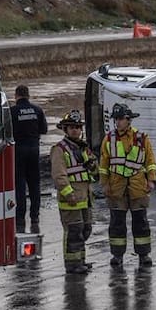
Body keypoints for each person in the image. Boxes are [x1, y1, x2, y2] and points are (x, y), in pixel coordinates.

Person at [99, 103, 156, 269]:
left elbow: (150, 161)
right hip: (116, 188)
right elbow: (104, 163)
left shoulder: (141, 138)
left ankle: (144, 254)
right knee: (117, 223)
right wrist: (104, 184)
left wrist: (151, 180)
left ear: (128, 120)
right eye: (116, 119)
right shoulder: (108, 139)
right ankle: (117, 256)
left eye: (120, 119)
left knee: (141, 222)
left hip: (138, 187)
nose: (117, 122)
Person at [50, 110, 98, 275]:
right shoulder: (59, 149)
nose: (75, 130)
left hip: (85, 198)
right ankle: (72, 264)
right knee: (73, 232)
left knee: (85, 230)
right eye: (72, 127)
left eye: (78, 127)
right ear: (65, 129)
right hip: (70, 200)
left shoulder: (83, 148)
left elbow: (94, 172)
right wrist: (68, 193)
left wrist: (92, 165)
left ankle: (81, 261)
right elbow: (59, 175)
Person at [10, 85, 46, 235]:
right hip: (33, 150)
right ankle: (35, 216)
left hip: (18, 151)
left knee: (20, 184)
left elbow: (6, 131)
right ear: (28, 95)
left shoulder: (12, 111)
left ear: (16, 95)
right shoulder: (37, 110)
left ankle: (20, 218)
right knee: (34, 184)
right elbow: (43, 130)